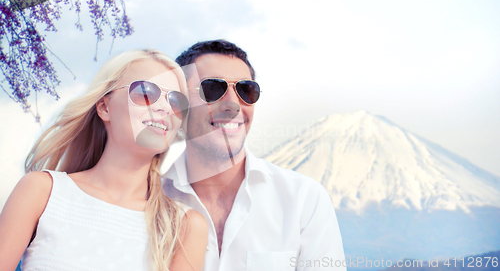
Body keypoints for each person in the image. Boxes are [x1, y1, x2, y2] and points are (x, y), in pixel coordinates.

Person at [0, 49, 208, 271]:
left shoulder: (185, 226)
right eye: (146, 92)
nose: (165, 107)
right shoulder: (42, 191)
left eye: (176, 101)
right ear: (104, 107)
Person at [163, 40, 346, 271]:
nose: (233, 104)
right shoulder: (149, 202)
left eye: (245, 90)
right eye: (212, 89)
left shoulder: (304, 200)